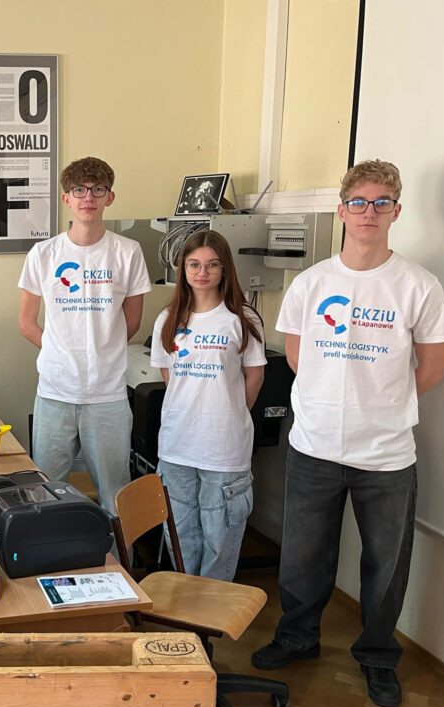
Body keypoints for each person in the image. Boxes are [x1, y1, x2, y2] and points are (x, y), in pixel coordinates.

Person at [251, 160, 444, 707]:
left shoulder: (419, 286)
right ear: (342, 211)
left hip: (386, 455)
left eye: (381, 202)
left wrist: (381, 405)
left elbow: (433, 367)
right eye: (359, 202)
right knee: (303, 556)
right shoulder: (312, 283)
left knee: (385, 566)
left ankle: (377, 657)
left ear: (396, 212)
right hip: (314, 445)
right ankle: (298, 637)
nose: (369, 212)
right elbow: (298, 357)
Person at [18, 156, 151, 513]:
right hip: (55, 393)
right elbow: (27, 323)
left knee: (115, 495)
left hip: (107, 396)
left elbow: (132, 322)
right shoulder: (43, 254)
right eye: (79, 190)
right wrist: (60, 351)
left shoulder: (127, 252)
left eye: (97, 189)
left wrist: (100, 351)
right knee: (45, 494)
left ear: (110, 197)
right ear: (66, 198)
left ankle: (116, 552)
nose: (88, 197)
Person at [149, 230, 265, 581]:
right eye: (194, 264)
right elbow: (170, 376)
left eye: (212, 265)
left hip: (223, 449)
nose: (202, 272)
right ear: (183, 268)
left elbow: (255, 376)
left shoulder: (242, 319)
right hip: (177, 447)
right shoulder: (169, 318)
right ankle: (188, 607)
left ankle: (211, 612)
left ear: (224, 269)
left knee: (220, 541)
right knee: (181, 537)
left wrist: (228, 413)